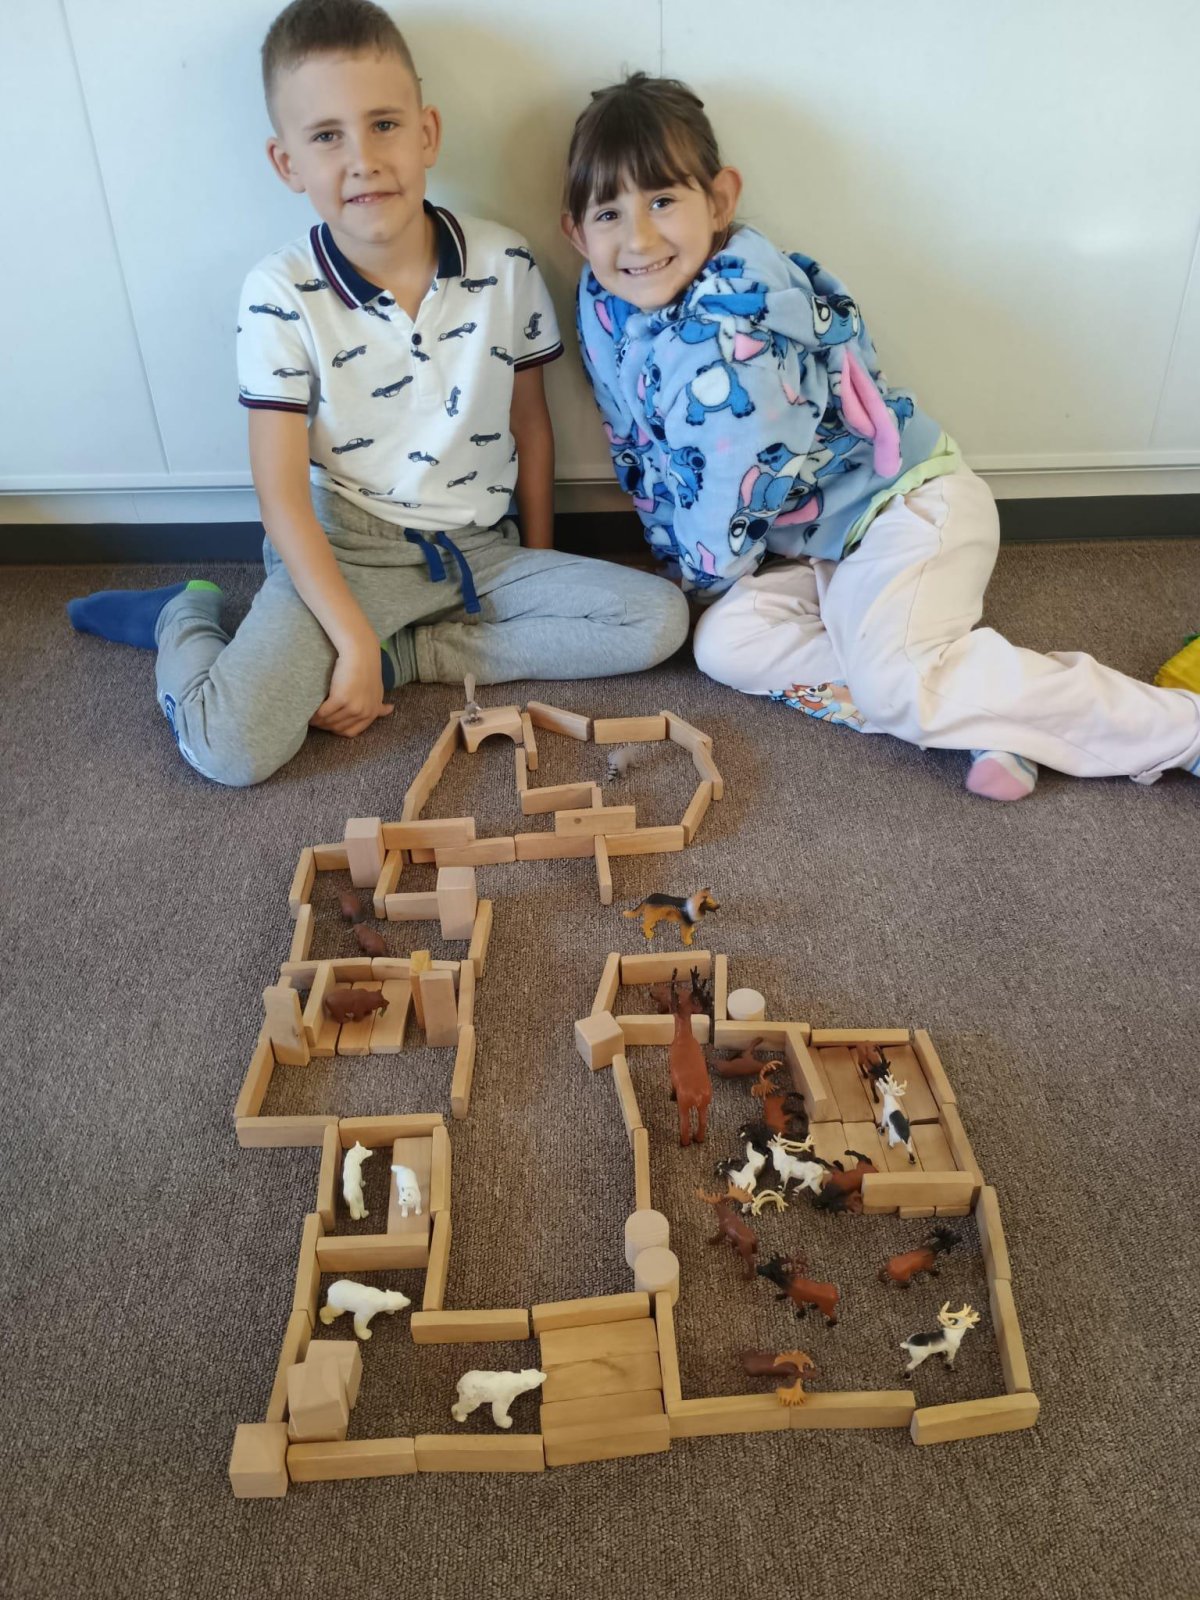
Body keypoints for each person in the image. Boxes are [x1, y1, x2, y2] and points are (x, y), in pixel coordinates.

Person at [67, 3, 687, 787]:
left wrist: (539, 558)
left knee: (657, 621)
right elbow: (280, 493)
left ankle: (412, 655)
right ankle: (182, 616)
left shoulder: (504, 262)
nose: (363, 160)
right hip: (344, 552)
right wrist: (351, 637)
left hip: (480, 550)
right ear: (287, 162)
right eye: (327, 137)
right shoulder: (278, 293)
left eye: (384, 125)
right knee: (231, 748)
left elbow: (531, 424)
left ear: (426, 133)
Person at [562, 73, 1200, 798]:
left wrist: (698, 579)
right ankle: (981, 714)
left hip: (906, 509)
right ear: (576, 234)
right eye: (609, 213)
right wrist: (679, 563)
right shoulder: (606, 303)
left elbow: (730, 495)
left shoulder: (735, 337)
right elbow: (637, 445)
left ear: (720, 200)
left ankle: (1177, 729)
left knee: (891, 677)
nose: (639, 238)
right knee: (727, 645)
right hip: (818, 549)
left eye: (662, 201)